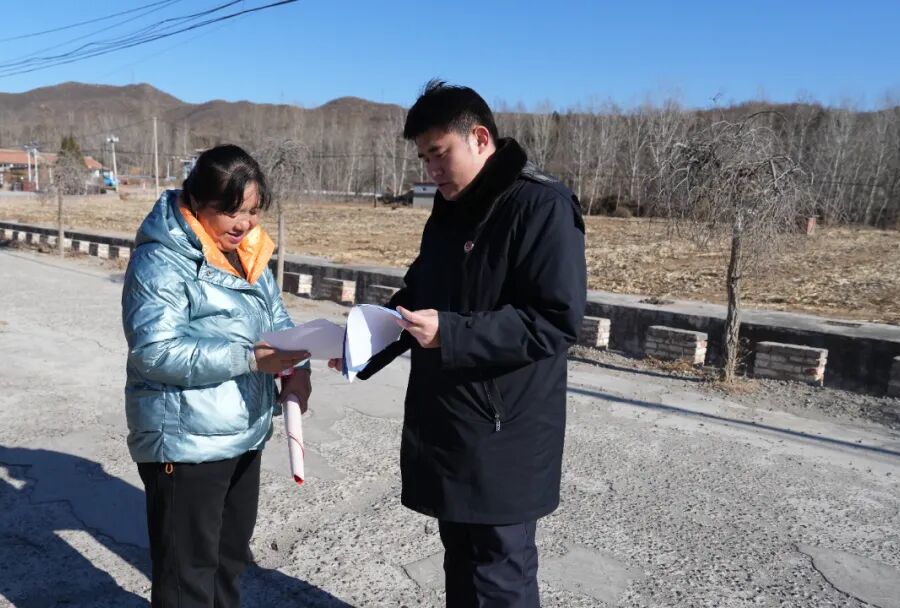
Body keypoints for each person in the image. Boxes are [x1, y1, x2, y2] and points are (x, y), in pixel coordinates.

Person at [333, 80, 587, 607]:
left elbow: (554, 320)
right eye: (424, 158)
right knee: (461, 564)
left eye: (439, 153)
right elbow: (420, 294)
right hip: (452, 423)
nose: (431, 169)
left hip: (504, 429)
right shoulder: (451, 209)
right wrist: (365, 346)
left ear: (480, 138)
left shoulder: (540, 205)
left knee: (499, 573)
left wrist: (451, 333)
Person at [121, 144, 311, 608]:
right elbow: (155, 352)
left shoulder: (248, 252)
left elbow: (276, 318)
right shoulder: (160, 261)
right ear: (197, 201)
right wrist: (249, 359)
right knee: (187, 576)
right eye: (231, 211)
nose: (244, 223)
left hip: (244, 433)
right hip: (186, 442)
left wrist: (299, 367)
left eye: (252, 210)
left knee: (229, 561)